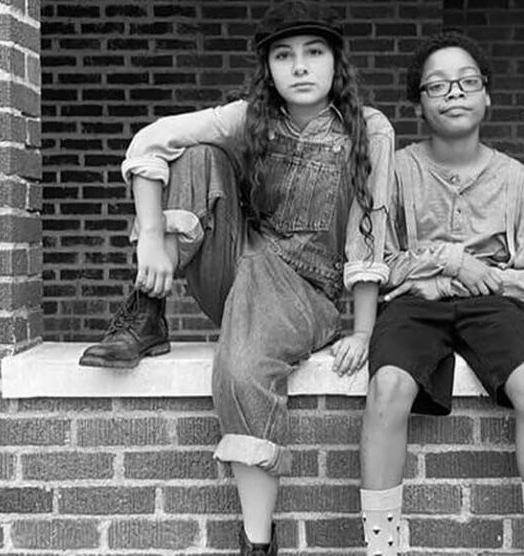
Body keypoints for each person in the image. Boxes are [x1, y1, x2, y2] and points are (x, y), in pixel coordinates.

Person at [78, 2, 394, 554]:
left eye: (314, 52)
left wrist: (364, 331)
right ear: (268, 67)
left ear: (335, 62)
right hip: (236, 267)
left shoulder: (368, 129)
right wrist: (149, 235)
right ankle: (148, 311)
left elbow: (370, 227)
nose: (300, 66)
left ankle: (256, 542)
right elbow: (151, 140)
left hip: (305, 292)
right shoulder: (249, 118)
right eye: (284, 55)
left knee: (243, 368)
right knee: (197, 155)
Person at [358, 33, 524, 556]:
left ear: (487, 95)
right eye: (437, 85)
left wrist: (471, 277)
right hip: (413, 304)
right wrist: (452, 262)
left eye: (467, 82)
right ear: (419, 103)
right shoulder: (396, 170)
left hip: (492, 304)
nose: (454, 93)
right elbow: (378, 261)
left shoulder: (514, 178)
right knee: (387, 387)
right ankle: (381, 546)